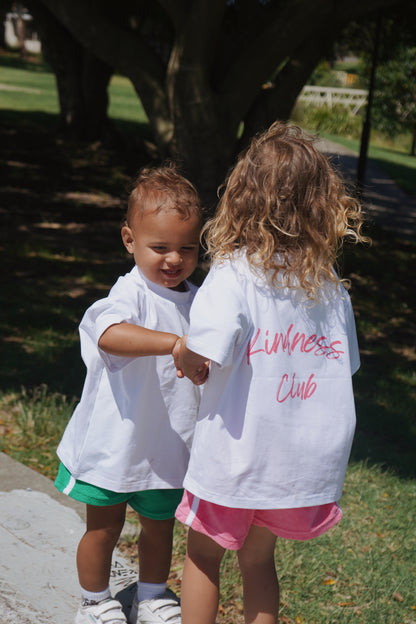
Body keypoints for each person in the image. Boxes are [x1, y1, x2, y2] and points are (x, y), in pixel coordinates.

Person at [172, 121, 368, 624]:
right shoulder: (329, 288)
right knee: (259, 559)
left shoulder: (234, 273)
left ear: (241, 197)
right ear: (323, 206)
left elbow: (203, 353)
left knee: (203, 555)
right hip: (296, 465)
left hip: (236, 458)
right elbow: (346, 366)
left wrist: (184, 358)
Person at [54, 165, 203, 624]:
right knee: (104, 528)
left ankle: (153, 596)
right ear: (128, 240)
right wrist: (174, 344)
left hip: (168, 446)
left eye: (188, 248)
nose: (174, 259)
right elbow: (110, 336)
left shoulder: (201, 300)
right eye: (160, 247)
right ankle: (94, 601)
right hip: (114, 445)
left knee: (159, 529)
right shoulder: (128, 294)